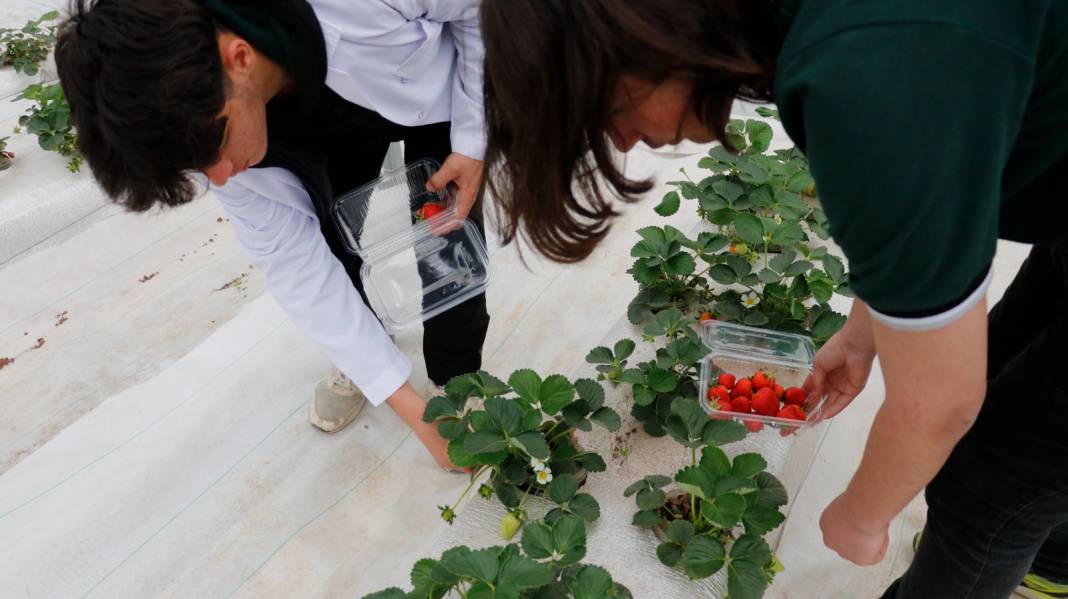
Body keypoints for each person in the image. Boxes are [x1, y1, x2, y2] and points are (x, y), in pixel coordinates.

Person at [477, 1, 1068, 597]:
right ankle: (1052, 552)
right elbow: (939, 181)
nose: (626, 138)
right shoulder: (844, 43)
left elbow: (941, 405)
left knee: (988, 489)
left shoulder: (862, 82)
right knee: (1006, 376)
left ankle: (1005, 552)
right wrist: (863, 335)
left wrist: (861, 516)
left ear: (642, 36)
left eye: (607, 112)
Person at [54, 0, 493, 471]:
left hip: (431, 95)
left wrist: (472, 137)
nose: (220, 178)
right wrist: (414, 415)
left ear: (239, 57)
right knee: (335, 240)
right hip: (320, 132)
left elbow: (478, 11)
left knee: (448, 235)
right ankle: (372, 352)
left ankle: (457, 379)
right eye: (198, 167)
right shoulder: (204, 122)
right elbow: (296, 266)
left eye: (216, 146)